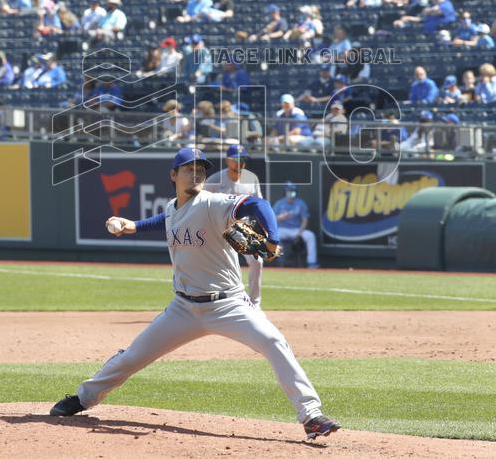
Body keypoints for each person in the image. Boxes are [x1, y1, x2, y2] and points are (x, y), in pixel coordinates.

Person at [50, 148, 341, 443]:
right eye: (188, 167)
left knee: (274, 342)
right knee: (133, 355)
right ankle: (84, 398)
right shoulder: (173, 208)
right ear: (173, 175)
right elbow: (167, 220)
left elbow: (257, 204)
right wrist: (134, 226)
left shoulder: (213, 203)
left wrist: (273, 239)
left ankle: (311, 415)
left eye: (200, 167)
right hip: (183, 308)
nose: (196, 171)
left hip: (228, 304)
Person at [204, 144, 265, 307]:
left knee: (257, 261)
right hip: (220, 228)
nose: (241, 163)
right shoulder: (216, 180)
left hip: (242, 229)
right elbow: (201, 202)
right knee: (219, 267)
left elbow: (258, 204)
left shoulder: (250, 178)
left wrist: (263, 226)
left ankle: (254, 304)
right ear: (227, 160)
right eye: (237, 159)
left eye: (243, 159)